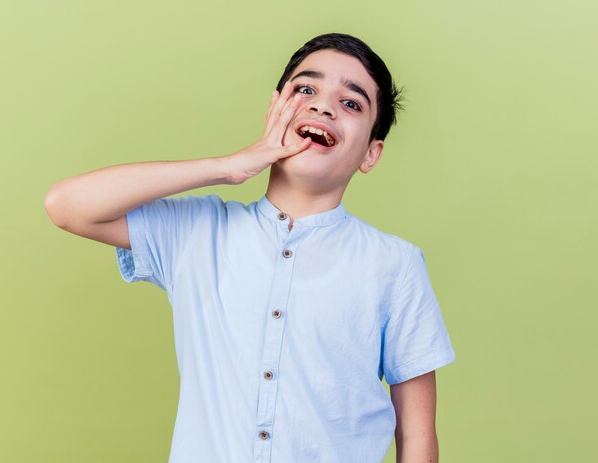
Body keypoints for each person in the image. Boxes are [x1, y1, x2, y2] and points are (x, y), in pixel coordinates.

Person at [45, 32, 456, 463]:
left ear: (371, 154)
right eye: (305, 89)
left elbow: (417, 434)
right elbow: (68, 206)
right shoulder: (198, 233)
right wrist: (227, 167)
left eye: (351, 103)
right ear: (273, 111)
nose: (322, 106)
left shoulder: (395, 265)